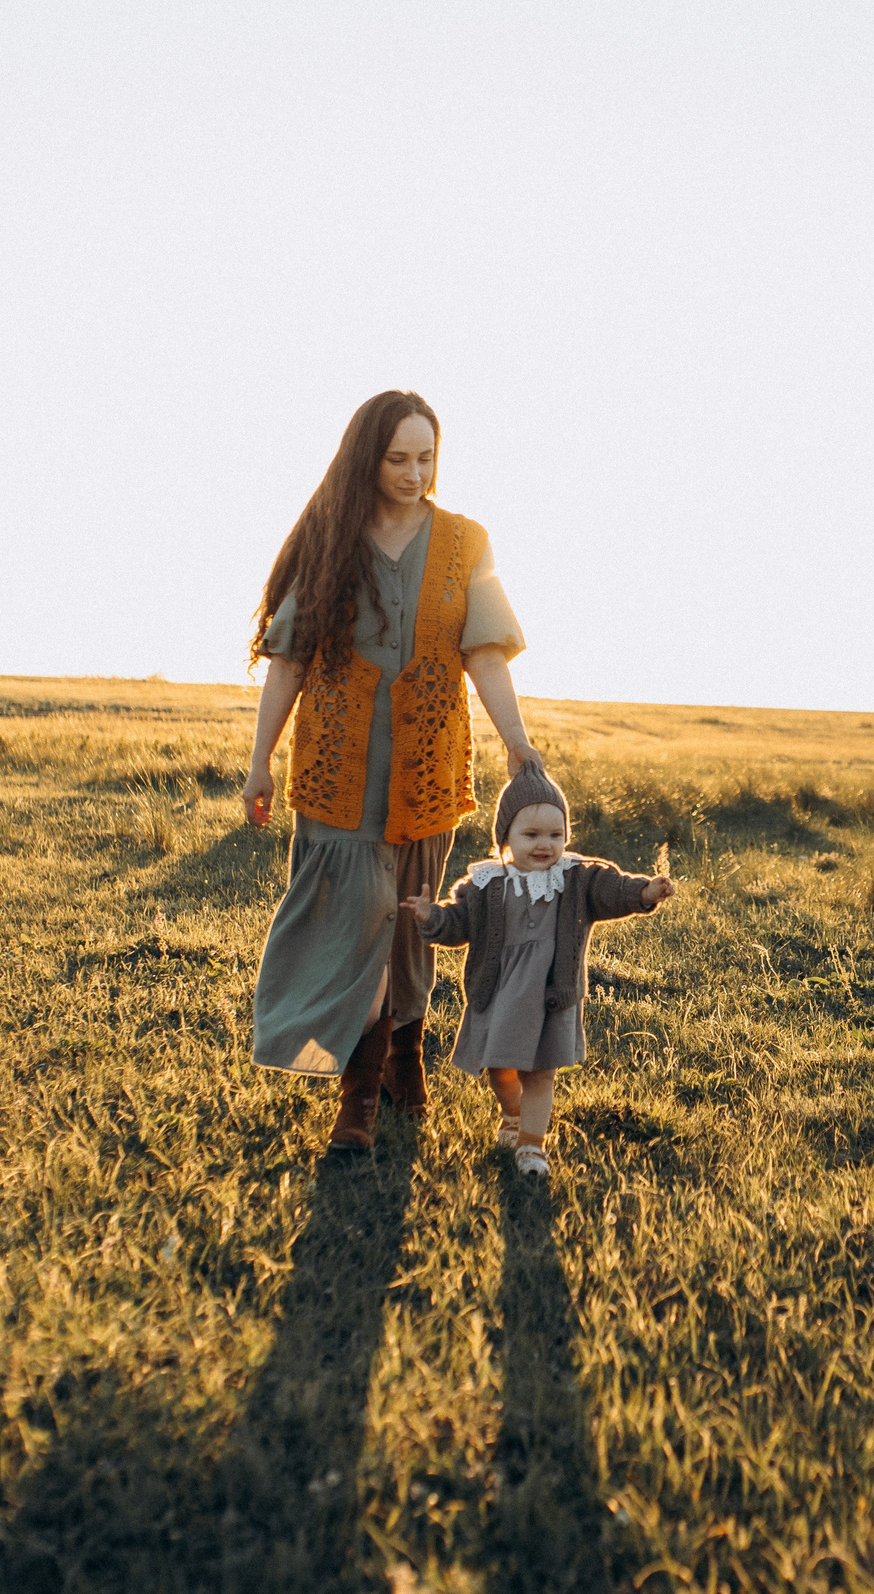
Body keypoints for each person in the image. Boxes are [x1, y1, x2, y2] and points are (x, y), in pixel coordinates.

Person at [241, 390, 541, 1148]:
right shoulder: (332, 538)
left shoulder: (466, 542)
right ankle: (360, 1095)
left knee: (411, 926)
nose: (415, 473)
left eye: (427, 457)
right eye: (399, 458)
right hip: (339, 773)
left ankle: (406, 1050)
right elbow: (288, 662)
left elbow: (485, 650)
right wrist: (259, 763)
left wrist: (516, 738)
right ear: (367, 459)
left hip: (426, 770)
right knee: (359, 922)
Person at [405, 764, 674, 1176]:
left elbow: (612, 890)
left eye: (555, 834)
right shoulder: (486, 884)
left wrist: (644, 891)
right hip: (498, 992)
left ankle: (532, 1145)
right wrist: (431, 918)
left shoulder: (577, 877)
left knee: (540, 1072)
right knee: (501, 1069)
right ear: (505, 839)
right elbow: (458, 924)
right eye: (530, 835)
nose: (544, 844)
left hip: (550, 993)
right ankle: (511, 1113)